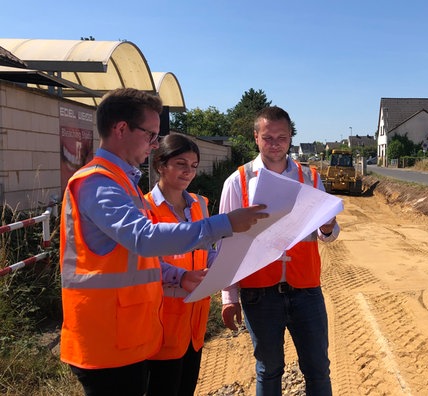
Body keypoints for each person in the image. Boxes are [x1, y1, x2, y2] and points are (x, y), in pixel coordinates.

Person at [59, 87, 268, 396]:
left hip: (129, 334)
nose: (154, 143)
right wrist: (224, 223)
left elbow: (140, 259)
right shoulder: (97, 182)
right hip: (105, 340)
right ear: (121, 129)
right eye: (151, 135)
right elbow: (144, 238)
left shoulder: (120, 183)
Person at [220, 106, 339, 396]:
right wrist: (228, 297)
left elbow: (328, 235)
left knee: (318, 369)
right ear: (256, 138)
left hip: (306, 289)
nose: (275, 144)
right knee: (268, 370)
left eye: (281, 137)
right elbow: (226, 244)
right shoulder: (237, 181)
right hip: (259, 293)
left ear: (290, 138)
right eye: (268, 137)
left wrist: (327, 227)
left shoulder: (310, 177)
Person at [143, 134, 214, 395]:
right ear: (161, 165)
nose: (188, 172)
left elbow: (206, 254)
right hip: (160, 328)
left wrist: (232, 261)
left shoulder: (201, 205)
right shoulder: (144, 208)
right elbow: (143, 263)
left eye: (194, 166)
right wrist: (180, 276)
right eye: (181, 164)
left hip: (194, 327)